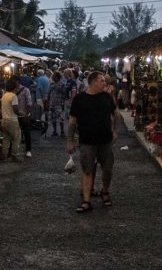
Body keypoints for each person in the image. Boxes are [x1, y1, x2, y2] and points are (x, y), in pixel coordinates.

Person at [67, 71, 117, 213]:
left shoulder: (106, 97)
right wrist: (70, 141)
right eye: (102, 81)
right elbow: (72, 121)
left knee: (107, 169)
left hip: (106, 141)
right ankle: (86, 201)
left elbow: (116, 114)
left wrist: (115, 131)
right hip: (87, 141)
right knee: (87, 170)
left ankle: (105, 191)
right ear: (94, 82)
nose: (104, 83)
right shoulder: (79, 99)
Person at [0, 80, 22, 162]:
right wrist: (21, 113)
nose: (18, 87)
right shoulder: (13, 96)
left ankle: (5, 156)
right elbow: (15, 109)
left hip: (4, 119)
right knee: (16, 138)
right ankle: (14, 155)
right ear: (14, 87)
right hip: (12, 120)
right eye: (17, 86)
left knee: (6, 138)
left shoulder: (4, 95)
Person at [16, 79, 34, 158]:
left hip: (24, 115)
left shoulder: (25, 90)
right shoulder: (10, 90)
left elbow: (29, 103)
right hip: (14, 115)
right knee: (16, 134)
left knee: (27, 132)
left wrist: (28, 114)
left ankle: (28, 150)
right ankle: (16, 150)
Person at [47, 71, 66, 137]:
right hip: (52, 103)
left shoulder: (62, 84)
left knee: (61, 118)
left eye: (54, 76)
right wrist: (48, 101)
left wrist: (63, 103)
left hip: (59, 103)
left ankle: (62, 131)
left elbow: (64, 93)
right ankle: (54, 131)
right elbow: (49, 93)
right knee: (53, 118)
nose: (53, 77)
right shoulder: (51, 84)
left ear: (57, 77)